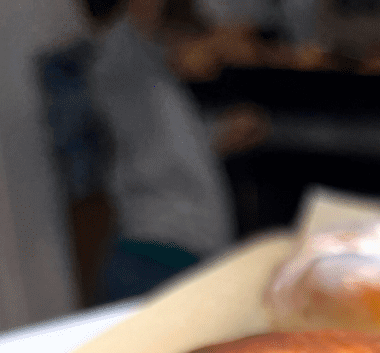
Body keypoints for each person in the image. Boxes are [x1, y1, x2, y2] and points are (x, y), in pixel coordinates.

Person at [85, 0, 267, 301]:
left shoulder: (151, 81)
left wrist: (218, 135)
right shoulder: (118, 57)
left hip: (180, 254)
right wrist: (219, 39)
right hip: (155, 258)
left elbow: (163, 147)